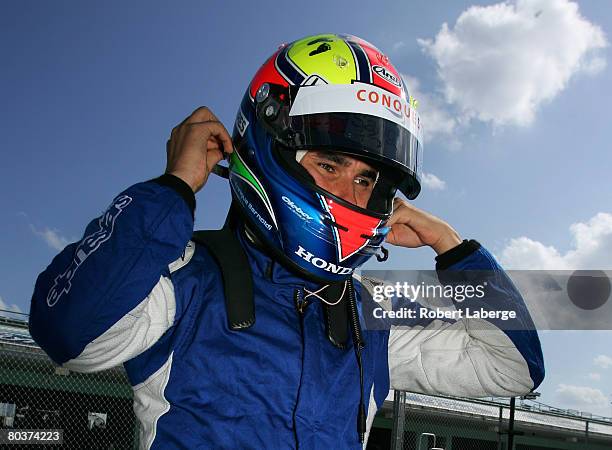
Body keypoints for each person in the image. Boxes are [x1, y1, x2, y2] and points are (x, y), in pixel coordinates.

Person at [29, 34, 544, 449]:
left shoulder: (371, 316)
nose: (350, 192)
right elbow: (70, 331)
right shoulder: (187, 277)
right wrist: (174, 188)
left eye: (366, 181)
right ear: (269, 145)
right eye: (329, 165)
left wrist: (451, 247)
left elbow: (514, 369)